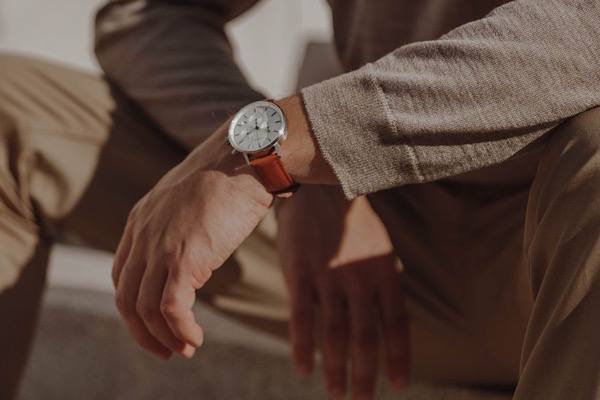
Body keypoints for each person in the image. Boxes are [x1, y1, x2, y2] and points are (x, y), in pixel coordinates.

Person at [1, 0, 600, 399]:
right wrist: (289, 171)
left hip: (555, 246)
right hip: (383, 224)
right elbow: (147, 13)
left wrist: (305, 138)